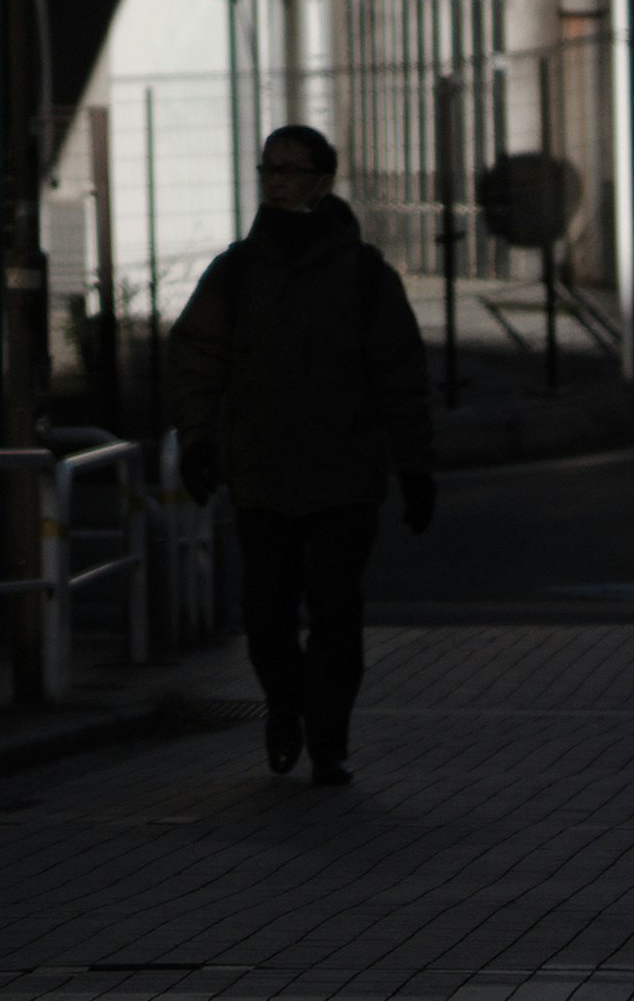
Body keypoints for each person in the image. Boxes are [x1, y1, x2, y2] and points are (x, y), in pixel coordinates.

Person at [166, 121, 436, 783]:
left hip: (344, 477)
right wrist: (197, 439)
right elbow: (196, 356)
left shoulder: (364, 276)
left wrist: (416, 466)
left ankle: (329, 737)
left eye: (290, 169)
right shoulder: (236, 273)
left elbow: (401, 373)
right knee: (266, 615)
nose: (278, 181)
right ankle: (285, 708)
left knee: (336, 613)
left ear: (322, 179)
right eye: (269, 170)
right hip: (263, 474)